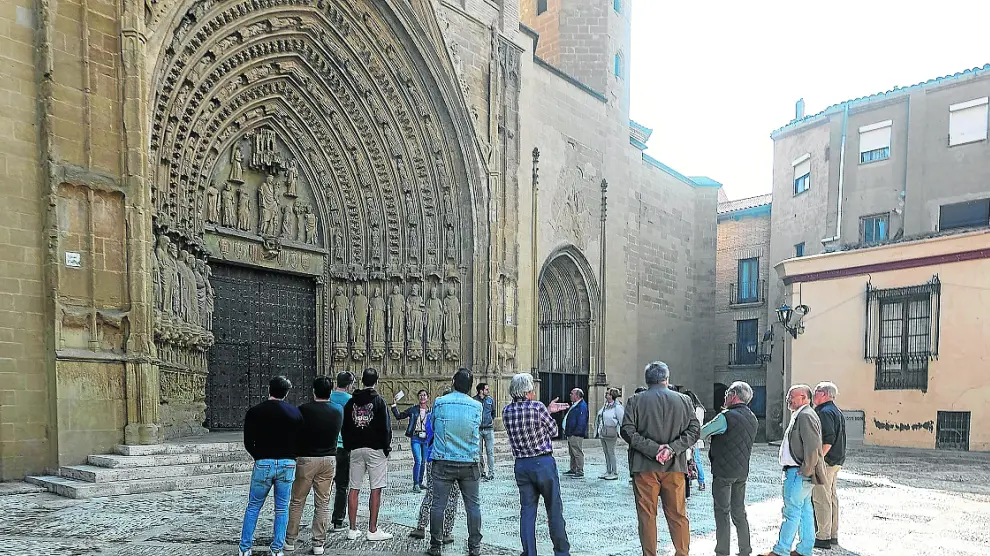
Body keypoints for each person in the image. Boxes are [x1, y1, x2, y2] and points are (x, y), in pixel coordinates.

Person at [620, 361, 700, 556]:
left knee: (647, 515)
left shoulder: (635, 400)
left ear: (647, 380)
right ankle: (682, 552)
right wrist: (671, 449)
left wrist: (654, 449)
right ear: (667, 379)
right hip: (674, 466)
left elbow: (627, 430)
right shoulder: (684, 400)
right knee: (678, 515)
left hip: (644, 465)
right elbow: (694, 430)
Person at [502, 373, 572, 556]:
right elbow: (554, 431)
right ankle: (562, 551)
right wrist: (548, 412)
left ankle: (529, 552)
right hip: (543, 462)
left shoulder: (507, 411)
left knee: (527, 511)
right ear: (527, 391)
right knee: (554, 509)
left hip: (522, 465)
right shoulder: (537, 408)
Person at [239, 376, 304, 556]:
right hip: (287, 464)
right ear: (286, 392)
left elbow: (247, 441)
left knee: (253, 507)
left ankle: (245, 548)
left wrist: (258, 456)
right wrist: (292, 456)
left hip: (263, 462)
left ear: (269, 390)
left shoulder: (255, 412)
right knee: (281, 509)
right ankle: (277, 549)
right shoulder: (295, 413)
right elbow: (301, 440)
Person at [758, 385, 827, 556]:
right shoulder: (804, 414)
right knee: (804, 511)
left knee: (791, 511)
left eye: (792, 396)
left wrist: (806, 470)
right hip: (798, 471)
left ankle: (781, 550)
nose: (788, 399)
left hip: (797, 472)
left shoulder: (805, 415)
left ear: (804, 397)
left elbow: (813, 446)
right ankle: (805, 549)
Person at [426, 368, 483, 556]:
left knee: (438, 505)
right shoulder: (477, 406)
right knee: (473, 506)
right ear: (470, 386)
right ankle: (474, 547)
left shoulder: (440, 402)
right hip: (469, 461)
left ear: (452, 382)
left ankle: (435, 546)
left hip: (443, 460)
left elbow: (433, 425)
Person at [285, 376, 343, 555]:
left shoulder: (303, 410)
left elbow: (295, 433)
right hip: (328, 459)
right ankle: (318, 543)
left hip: (307, 458)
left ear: (313, 391)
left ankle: (289, 541)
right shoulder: (337, 411)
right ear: (330, 391)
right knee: (323, 503)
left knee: (297, 501)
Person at [701, 381, 759, 556]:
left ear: (733, 396)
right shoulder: (753, 418)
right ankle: (745, 549)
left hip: (723, 471)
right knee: (739, 512)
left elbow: (702, 433)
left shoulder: (725, 416)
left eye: (727, 394)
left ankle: (722, 551)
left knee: (722, 512)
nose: (725, 397)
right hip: (741, 471)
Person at [341, 368, 393, 541]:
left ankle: (352, 529)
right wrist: (386, 448)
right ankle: (372, 529)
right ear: (376, 381)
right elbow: (386, 428)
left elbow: (345, 427)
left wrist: (349, 446)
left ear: (362, 381)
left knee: (354, 487)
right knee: (375, 488)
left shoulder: (350, 403)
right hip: (375, 449)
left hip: (355, 449)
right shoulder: (378, 401)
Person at [409, 396, 460, 545]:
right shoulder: (455, 418)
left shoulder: (432, 416)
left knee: (431, 494)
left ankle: (421, 527)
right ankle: (446, 532)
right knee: (451, 497)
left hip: (434, 458)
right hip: (452, 459)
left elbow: (428, 435)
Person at [812, 381, 846, 549]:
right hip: (836, 461)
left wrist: (817, 460)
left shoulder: (824, 412)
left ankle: (823, 537)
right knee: (831, 497)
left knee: (820, 498)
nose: (814, 393)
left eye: (816, 391)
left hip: (825, 462)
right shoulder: (836, 411)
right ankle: (832, 534)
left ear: (824, 394)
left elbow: (829, 439)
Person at [391, 389, 432, 492]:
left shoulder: (431, 411)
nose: (422, 397)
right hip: (416, 437)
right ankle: (415, 484)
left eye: (424, 395)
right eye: (420, 395)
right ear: (418, 397)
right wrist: (394, 406)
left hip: (426, 438)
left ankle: (420, 481)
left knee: (424, 461)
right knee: (418, 460)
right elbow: (399, 416)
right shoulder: (413, 410)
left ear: (428, 397)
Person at [330, 371, 354, 532]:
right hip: (343, 447)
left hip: (326, 447)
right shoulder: (351, 401)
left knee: (323, 486)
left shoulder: (327, 396)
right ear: (350, 384)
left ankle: (320, 519)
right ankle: (338, 519)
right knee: (341, 485)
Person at [595, 387, 624, 480]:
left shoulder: (618, 407)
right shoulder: (605, 405)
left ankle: (614, 472)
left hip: (611, 431)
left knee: (611, 452)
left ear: (612, 396)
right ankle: (608, 471)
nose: (605, 395)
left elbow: (621, 420)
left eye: (607, 394)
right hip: (603, 431)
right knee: (606, 452)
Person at [561, 388, 588, 478]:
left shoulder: (582, 406)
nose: (570, 395)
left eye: (572, 393)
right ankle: (573, 469)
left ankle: (580, 470)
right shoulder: (575, 405)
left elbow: (581, 421)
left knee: (577, 452)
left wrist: (575, 433)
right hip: (571, 433)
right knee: (572, 453)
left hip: (575, 434)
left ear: (576, 395)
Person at [684, 390, 708, 492]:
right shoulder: (699, 409)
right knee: (689, 460)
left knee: (696, 460)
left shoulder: (697, 409)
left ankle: (701, 481)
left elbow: (697, 424)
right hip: (692, 437)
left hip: (694, 438)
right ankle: (692, 480)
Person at [475, 382, 497, 480]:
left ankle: (491, 473)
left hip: (489, 429)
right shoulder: (474, 400)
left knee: (490, 452)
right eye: (486, 389)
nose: (488, 391)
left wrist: (490, 420)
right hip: (478, 429)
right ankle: (481, 472)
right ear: (481, 391)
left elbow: (493, 412)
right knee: (479, 453)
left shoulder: (490, 400)